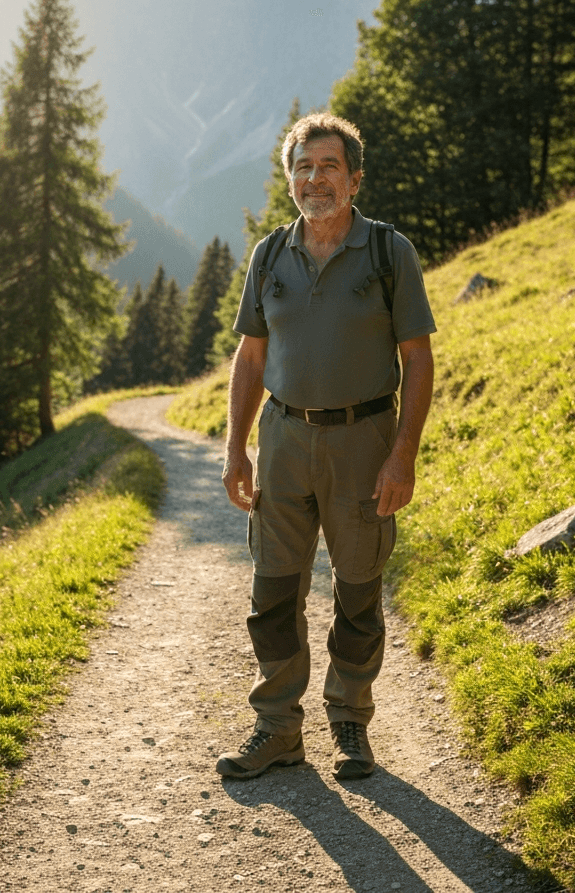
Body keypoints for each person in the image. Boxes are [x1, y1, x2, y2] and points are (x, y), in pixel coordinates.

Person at [217, 112, 436, 780]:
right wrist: (235, 450)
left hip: (364, 441)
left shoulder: (388, 252)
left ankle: (349, 721)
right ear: (290, 179)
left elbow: (418, 359)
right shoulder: (268, 256)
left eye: (329, 166)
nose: (315, 179)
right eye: (303, 168)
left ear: (355, 178)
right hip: (283, 439)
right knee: (273, 591)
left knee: (358, 591)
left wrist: (403, 455)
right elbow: (250, 358)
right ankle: (278, 727)